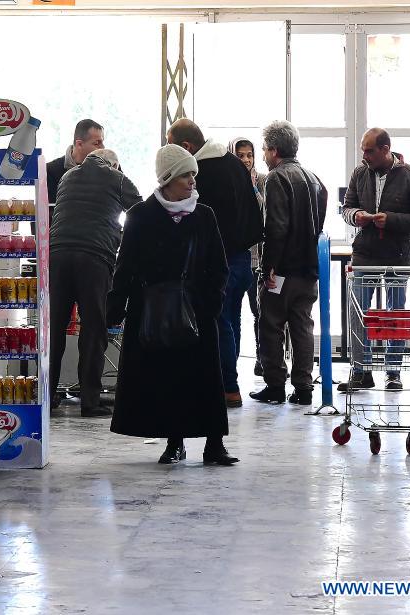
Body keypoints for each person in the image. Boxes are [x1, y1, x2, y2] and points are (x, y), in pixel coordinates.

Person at [106, 144, 238, 465]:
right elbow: (125, 268)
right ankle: (173, 442)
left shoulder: (203, 215)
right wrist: (115, 311)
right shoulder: (140, 215)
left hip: (197, 311)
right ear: (167, 180)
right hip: (153, 313)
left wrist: (210, 305)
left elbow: (219, 267)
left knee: (206, 377)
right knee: (167, 379)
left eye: (193, 174)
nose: (192, 181)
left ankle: (214, 444)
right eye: (185, 176)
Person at [167, 119, 263, 409]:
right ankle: (227, 383)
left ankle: (227, 386)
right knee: (231, 321)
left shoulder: (200, 172)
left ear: (186, 147)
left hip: (218, 262)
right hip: (243, 259)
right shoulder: (235, 164)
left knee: (218, 324)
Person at [50, 148, 142, 417]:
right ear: (114, 164)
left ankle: (48, 395)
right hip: (94, 257)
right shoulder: (118, 179)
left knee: (55, 329)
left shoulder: (67, 177)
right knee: (93, 328)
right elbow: (141, 212)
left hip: (57, 256)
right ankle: (90, 401)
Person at [339, 128, 410, 392]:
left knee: (395, 315)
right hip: (365, 253)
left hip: (398, 256)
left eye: (369, 151)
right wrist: (356, 216)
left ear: (385, 149)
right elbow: (346, 208)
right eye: (363, 150)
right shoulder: (359, 173)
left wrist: (390, 220)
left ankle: (393, 372)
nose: (364, 156)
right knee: (359, 314)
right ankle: (361, 371)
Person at [250, 120, 328, 406]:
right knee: (302, 328)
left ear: (273, 150)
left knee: (271, 327)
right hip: (309, 269)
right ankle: (304, 389)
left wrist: (268, 266)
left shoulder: (275, 178)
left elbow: (276, 227)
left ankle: (274, 387)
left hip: (282, 271)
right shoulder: (313, 177)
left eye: (263, 149)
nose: (262, 155)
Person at [230, 137, 268, 377]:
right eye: (240, 155)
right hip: (235, 257)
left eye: (249, 155)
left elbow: (263, 213)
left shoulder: (263, 180)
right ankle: (229, 362)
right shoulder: (227, 180)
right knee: (233, 313)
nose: (245, 159)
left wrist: (252, 187)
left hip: (258, 259)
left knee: (260, 313)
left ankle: (262, 359)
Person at [46, 119, 105, 206]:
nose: (103, 147)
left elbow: (126, 204)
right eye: (97, 143)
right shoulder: (51, 171)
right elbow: (49, 211)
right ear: (79, 144)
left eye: (102, 142)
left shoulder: (111, 167)